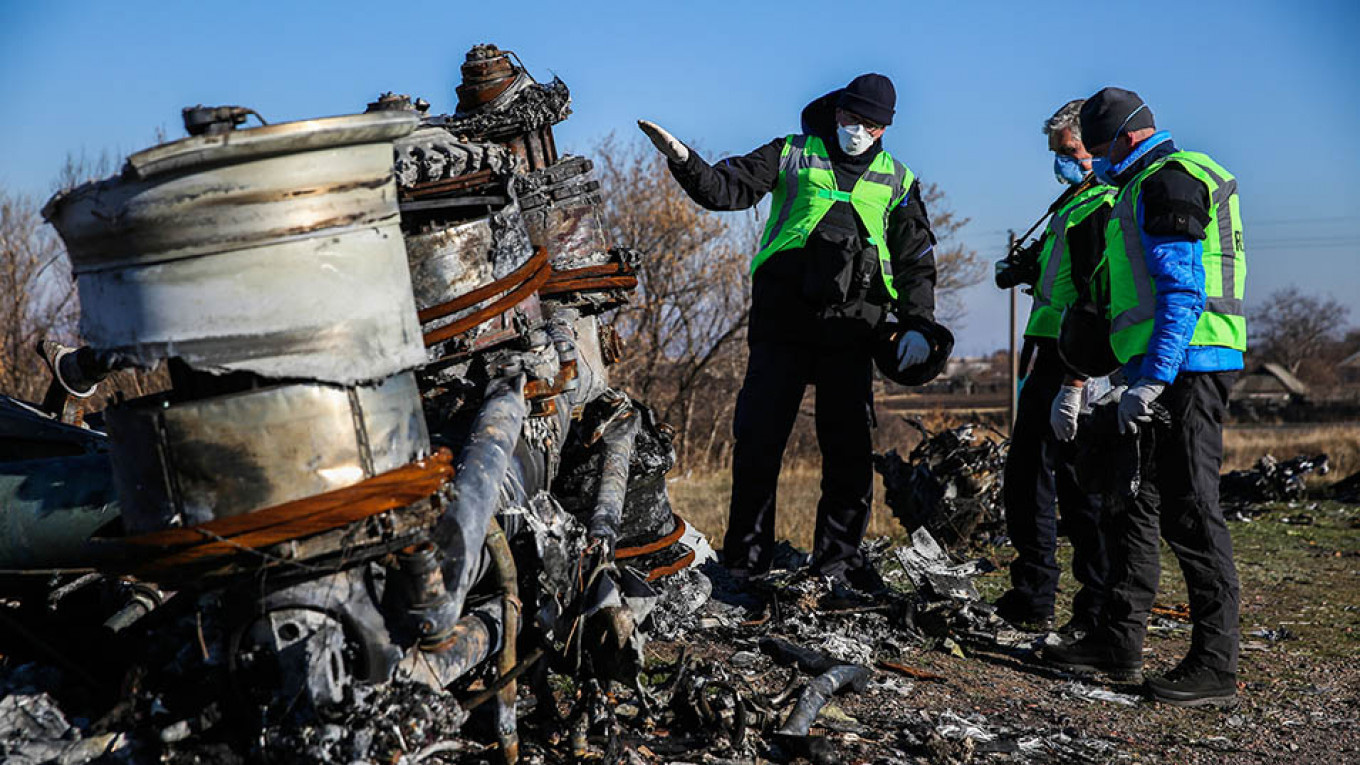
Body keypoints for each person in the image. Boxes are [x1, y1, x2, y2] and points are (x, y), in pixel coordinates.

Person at [636, 73, 940, 588]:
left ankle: (836, 564)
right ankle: (746, 561)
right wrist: (685, 161)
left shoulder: (899, 180)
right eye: (850, 118)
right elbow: (726, 189)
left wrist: (919, 324)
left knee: (847, 452)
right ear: (836, 111)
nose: (856, 130)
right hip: (783, 321)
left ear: (885, 130)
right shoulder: (792, 153)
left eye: (869, 124)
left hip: (854, 329)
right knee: (758, 442)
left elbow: (916, 261)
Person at [1042, 87, 1246, 708]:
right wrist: (1089, 379)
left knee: (1192, 510)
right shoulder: (1141, 184)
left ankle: (1216, 665)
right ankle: (1118, 638)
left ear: (1126, 140)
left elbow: (1182, 291)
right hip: (1153, 367)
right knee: (1134, 503)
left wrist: (1155, 377)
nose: (1093, 163)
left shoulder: (1169, 181)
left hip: (1188, 368)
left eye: (1098, 150)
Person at [991, 100, 1114, 635]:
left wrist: (1077, 379)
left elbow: (1096, 295)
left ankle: (1093, 606)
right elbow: (1058, 274)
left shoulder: (1104, 202)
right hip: (1044, 347)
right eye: (1056, 154)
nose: (1060, 162)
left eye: (1067, 152)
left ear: (1095, 145)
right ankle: (1033, 593)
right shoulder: (1071, 203)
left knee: (1077, 485)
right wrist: (1024, 266)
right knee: (1027, 479)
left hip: (1075, 361)